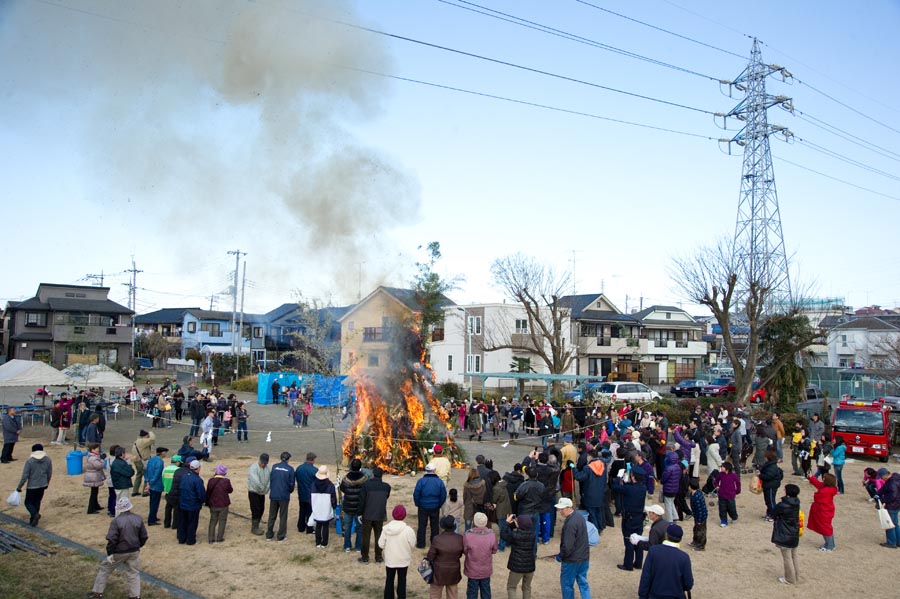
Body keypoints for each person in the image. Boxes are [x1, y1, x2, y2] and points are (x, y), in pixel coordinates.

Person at [86, 497, 148, 599]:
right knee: (133, 573)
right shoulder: (138, 518)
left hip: (119, 552)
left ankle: (97, 593)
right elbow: (144, 536)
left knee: (105, 569)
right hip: (134, 551)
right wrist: (138, 545)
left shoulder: (116, 521)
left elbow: (112, 539)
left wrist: (110, 553)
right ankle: (135, 596)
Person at [637, 524, 694, 599]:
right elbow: (688, 583)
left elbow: (646, 577)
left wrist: (642, 595)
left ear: (666, 535)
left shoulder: (653, 551)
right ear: (680, 539)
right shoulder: (684, 557)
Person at [380, 504, 417, 599]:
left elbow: (380, 544)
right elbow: (413, 544)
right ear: (404, 515)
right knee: (402, 581)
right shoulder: (408, 530)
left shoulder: (386, 529)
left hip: (390, 559)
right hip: (403, 560)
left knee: (389, 580)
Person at [555, 497, 590, 599]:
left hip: (571, 560)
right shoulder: (579, 517)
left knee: (567, 585)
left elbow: (568, 546)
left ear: (569, 508)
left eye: (562, 509)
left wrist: (560, 556)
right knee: (583, 583)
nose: (560, 511)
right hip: (583, 557)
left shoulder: (570, 523)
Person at [359, 466, 392, 564]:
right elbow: (386, 497)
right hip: (379, 514)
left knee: (366, 537)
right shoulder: (386, 487)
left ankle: (365, 557)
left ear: (373, 474)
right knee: (378, 536)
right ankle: (378, 557)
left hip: (368, 514)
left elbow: (362, 501)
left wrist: (360, 513)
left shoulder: (366, 486)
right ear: (382, 475)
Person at [771, 483, 802, 584]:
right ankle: (797, 576)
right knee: (794, 556)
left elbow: (773, 514)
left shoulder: (783, 505)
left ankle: (789, 579)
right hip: (794, 532)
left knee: (787, 558)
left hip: (785, 533)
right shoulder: (796, 503)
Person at [428, 515, 464, 599]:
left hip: (438, 572)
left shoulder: (437, 539)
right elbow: (461, 553)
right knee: (452, 595)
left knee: (435, 594)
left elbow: (430, 556)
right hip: (453, 571)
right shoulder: (460, 538)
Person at [463, 511, 498, 599]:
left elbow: (465, 550)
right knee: (486, 590)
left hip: (472, 569)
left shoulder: (468, 535)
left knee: (472, 592)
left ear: (474, 522)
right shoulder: (491, 535)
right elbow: (494, 550)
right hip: (485, 569)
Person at [16, 443, 52, 526]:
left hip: (32, 485)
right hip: (43, 484)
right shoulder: (48, 460)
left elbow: (25, 476)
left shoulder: (30, 461)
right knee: (37, 502)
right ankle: (33, 520)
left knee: (28, 502)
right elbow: (49, 473)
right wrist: (47, 482)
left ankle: (34, 515)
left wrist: (19, 487)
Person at [502, 513, 535, 599]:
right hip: (529, 566)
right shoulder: (533, 535)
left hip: (517, 567)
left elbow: (503, 535)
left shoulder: (515, 536)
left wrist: (507, 522)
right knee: (527, 587)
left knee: (511, 587)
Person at [414, 462, 448, 547]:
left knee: (422, 525)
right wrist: (439, 504)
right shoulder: (439, 482)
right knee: (435, 526)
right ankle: (434, 543)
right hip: (435, 506)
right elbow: (443, 494)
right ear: (434, 470)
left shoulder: (421, 481)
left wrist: (418, 503)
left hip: (423, 506)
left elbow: (416, 493)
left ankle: (421, 544)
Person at [573, 449, 606, 533]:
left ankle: (595, 529)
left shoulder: (588, 468)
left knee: (591, 513)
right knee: (598, 511)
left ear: (590, 456)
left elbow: (579, 477)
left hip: (590, 493)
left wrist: (574, 468)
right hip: (600, 492)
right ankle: (600, 526)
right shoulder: (603, 465)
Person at [339, 458, 368, 552]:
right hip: (359, 507)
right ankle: (358, 547)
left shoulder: (346, 478)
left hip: (348, 506)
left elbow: (342, 489)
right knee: (359, 528)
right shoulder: (364, 479)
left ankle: (347, 546)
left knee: (347, 527)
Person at [266, 451, 295, 542]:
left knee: (272, 515)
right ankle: (281, 535)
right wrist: (289, 491)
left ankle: (269, 534)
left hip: (274, 494)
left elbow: (271, 479)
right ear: (288, 459)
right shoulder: (290, 469)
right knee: (283, 516)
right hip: (284, 495)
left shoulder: (274, 467)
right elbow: (291, 484)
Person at [807, 472, 838, 552]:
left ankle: (830, 546)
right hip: (826, 511)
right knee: (827, 527)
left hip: (823, 511)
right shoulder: (829, 488)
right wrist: (811, 477)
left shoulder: (824, 491)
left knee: (825, 528)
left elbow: (818, 496)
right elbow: (818, 484)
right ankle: (830, 544)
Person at [177, 460, 206, 545]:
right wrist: (202, 501)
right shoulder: (197, 480)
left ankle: (181, 539)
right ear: (198, 468)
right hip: (193, 505)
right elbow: (201, 493)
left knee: (183, 522)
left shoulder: (184, 476)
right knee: (192, 523)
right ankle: (190, 540)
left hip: (183, 503)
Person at [311, 465, 337, 548]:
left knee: (318, 525)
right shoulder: (330, 485)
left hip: (317, 506)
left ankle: (318, 542)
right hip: (326, 506)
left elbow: (310, 497)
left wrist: (312, 505)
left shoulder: (313, 484)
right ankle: (324, 542)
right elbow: (333, 498)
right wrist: (334, 506)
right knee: (325, 525)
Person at [206, 463, 233, 543]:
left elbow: (208, 491)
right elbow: (230, 490)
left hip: (213, 504)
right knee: (222, 520)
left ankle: (211, 538)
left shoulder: (211, 481)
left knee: (213, 520)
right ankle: (219, 537)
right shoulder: (226, 481)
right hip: (223, 504)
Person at [248, 453, 271, 535]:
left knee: (261, 508)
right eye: (262, 462)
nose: (263, 464)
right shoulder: (253, 468)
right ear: (260, 460)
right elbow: (255, 480)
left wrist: (267, 487)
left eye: (265, 463)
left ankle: (257, 523)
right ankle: (254, 527)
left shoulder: (268, 468)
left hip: (262, 492)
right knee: (255, 509)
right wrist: (262, 487)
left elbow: (270, 479)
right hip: (254, 491)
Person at [295, 451, 318, 534]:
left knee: (302, 510)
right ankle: (309, 528)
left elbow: (297, 479)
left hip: (301, 492)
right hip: (310, 494)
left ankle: (300, 527)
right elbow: (317, 482)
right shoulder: (314, 470)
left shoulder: (299, 468)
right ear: (312, 460)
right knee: (310, 512)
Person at [877, 467, 900, 548]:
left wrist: (882, 499)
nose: (881, 479)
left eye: (881, 477)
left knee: (889, 523)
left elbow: (892, 495)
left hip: (892, 505)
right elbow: (884, 489)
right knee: (895, 523)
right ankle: (898, 541)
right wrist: (878, 494)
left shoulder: (891, 483)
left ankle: (891, 542)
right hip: (897, 505)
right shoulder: (894, 479)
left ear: (885, 475)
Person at [758, 450, 783, 521]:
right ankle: (769, 513)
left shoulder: (772, 466)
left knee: (771, 500)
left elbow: (768, 476)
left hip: (771, 485)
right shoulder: (769, 465)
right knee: (768, 500)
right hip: (768, 485)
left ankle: (773, 515)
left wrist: (760, 475)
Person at [144, 446, 167, 526]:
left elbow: (146, 471)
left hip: (151, 482)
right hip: (156, 485)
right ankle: (152, 520)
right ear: (162, 453)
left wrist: (147, 482)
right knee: (155, 503)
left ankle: (153, 516)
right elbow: (157, 474)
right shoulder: (160, 462)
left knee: (152, 502)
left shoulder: (151, 459)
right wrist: (151, 483)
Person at [130, 429, 155, 497]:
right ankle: (145, 491)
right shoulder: (142, 441)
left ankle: (135, 491)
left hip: (137, 460)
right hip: (142, 461)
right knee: (147, 475)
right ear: (145, 436)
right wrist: (150, 432)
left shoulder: (137, 441)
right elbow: (152, 439)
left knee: (139, 475)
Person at [162, 454, 184, 530]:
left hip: (167, 491)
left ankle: (166, 523)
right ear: (177, 462)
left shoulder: (165, 469)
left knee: (168, 508)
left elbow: (162, 479)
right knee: (176, 509)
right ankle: (175, 525)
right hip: (175, 492)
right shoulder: (177, 470)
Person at [715, 462, 741, 527]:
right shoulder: (720, 474)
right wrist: (717, 486)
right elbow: (716, 481)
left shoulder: (733, 475)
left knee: (731, 508)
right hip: (721, 495)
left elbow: (738, 483)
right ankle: (723, 521)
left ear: (727, 468)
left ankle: (734, 517)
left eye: (722, 467)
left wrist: (737, 491)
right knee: (722, 508)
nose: (721, 468)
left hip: (731, 495)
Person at [83, 443, 106, 515]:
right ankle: (91, 508)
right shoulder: (93, 458)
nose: (98, 450)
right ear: (93, 449)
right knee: (93, 493)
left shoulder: (94, 456)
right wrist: (102, 460)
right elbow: (98, 466)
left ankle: (96, 505)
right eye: (97, 448)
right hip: (93, 477)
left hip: (94, 476)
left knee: (95, 492)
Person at [687, 479, 707, 551]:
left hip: (701, 517)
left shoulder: (697, 496)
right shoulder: (694, 493)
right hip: (696, 515)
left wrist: (699, 520)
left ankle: (701, 546)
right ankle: (695, 542)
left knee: (701, 531)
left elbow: (700, 510)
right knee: (696, 529)